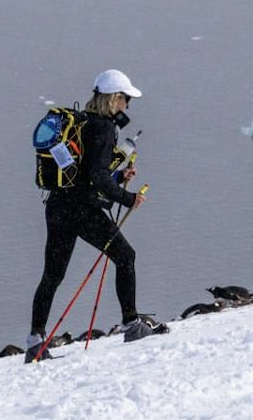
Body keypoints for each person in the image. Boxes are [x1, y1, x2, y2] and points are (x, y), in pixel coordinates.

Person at [26, 68, 168, 361]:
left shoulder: (82, 122)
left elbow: (86, 175)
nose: (128, 106)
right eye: (126, 99)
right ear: (115, 99)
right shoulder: (104, 129)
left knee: (52, 275)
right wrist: (129, 198)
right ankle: (132, 325)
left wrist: (117, 177)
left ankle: (34, 342)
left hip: (57, 205)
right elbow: (96, 180)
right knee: (125, 256)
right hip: (81, 210)